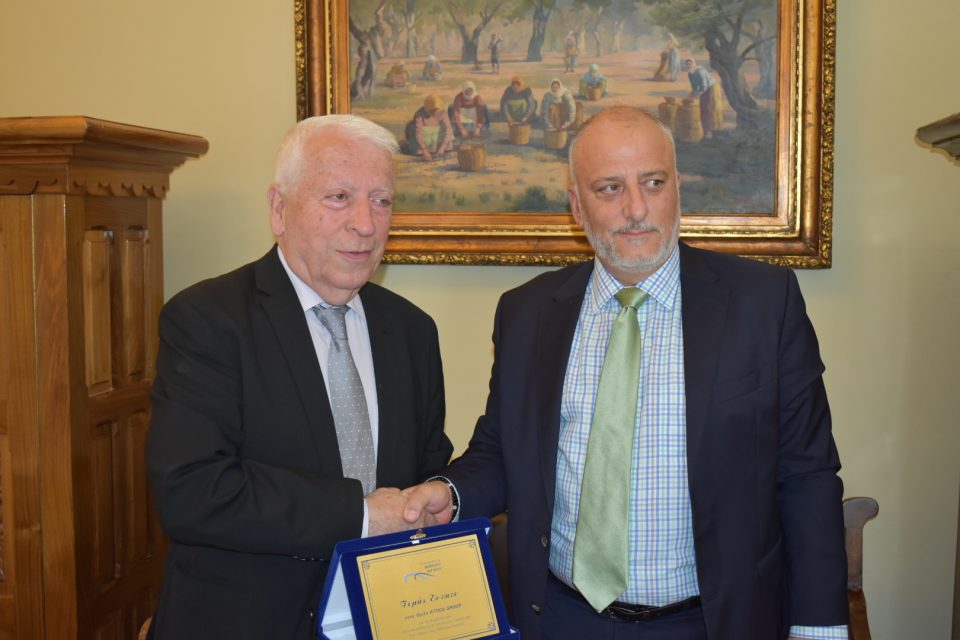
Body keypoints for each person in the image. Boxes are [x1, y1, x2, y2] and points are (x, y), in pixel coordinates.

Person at [403, 106, 849, 640]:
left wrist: (819, 628)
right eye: (610, 188)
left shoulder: (762, 303)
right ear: (577, 205)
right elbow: (503, 449)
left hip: (710, 622)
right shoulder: (527, 313)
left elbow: (807, 474)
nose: (636, 208)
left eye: (653, 183)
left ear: (678, 187)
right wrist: (450, 492)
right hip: (560, 618)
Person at [145, 115, 454, 640]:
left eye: (382, 201)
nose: (366, 223)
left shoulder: (412, 330)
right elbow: (191, 491)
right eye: (339, 197)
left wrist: (438, 496)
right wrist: (358, 515)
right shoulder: (207, 319)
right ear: (279, 209)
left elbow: (425, 468)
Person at [402, 93, 454, 161]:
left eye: (436, 110)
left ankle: (439, 149)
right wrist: (424, 150)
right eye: (432, 110)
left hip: (439, 142)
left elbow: (448, 129)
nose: (434, 112)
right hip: (423, 141)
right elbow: (419, 132)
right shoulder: (419, 114)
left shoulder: (442, 113)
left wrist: (443, 147)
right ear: (427, 108)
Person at [685, 58, 725, 138]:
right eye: (687, 64)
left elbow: (704, 85)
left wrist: (697, 95)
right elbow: (694, 87)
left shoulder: (700, 71)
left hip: (711, 88)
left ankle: (711, 131)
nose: (689, 65)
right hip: (704, 89)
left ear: (694, 64)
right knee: (703, 108)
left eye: (690, 64)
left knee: (709, 108)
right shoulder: (690, 74)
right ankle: (705, 130)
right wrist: (690, 95)